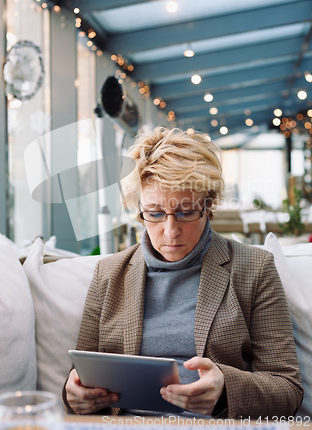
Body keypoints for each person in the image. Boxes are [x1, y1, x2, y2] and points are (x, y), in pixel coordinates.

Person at [63, 127, 303, 419]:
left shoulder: (253, 268)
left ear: (209, 205)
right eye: (154, 213)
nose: (170, 231)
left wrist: (226, 389)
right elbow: (81, 373)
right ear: (139, 210)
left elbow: (287, 388)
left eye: (186, 212)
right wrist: (73, 393)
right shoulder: (109, 273)